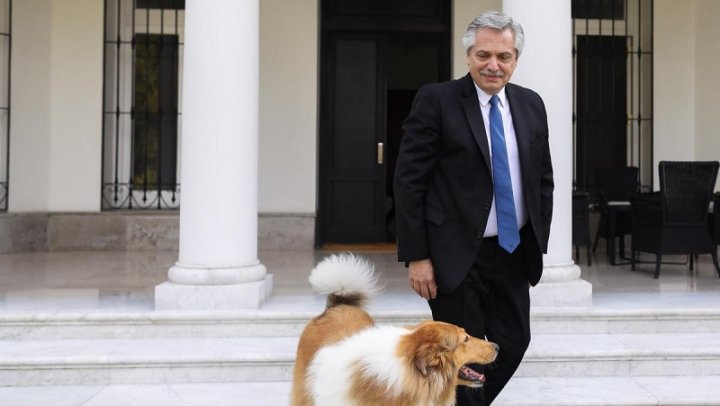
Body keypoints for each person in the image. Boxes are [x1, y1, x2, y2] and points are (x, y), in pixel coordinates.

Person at [393, 11, 554, 405]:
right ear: (468, 55)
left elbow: (542, 178)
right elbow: (409, 180)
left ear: (516, 59)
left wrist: (538, 238)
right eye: (484, 54)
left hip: (512, 250)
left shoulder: (531, 105)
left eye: (504, 56)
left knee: (513, 341)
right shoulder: (437, 100)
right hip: (455, 254)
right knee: (464, 357)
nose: (493, 65)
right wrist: (418, 256)